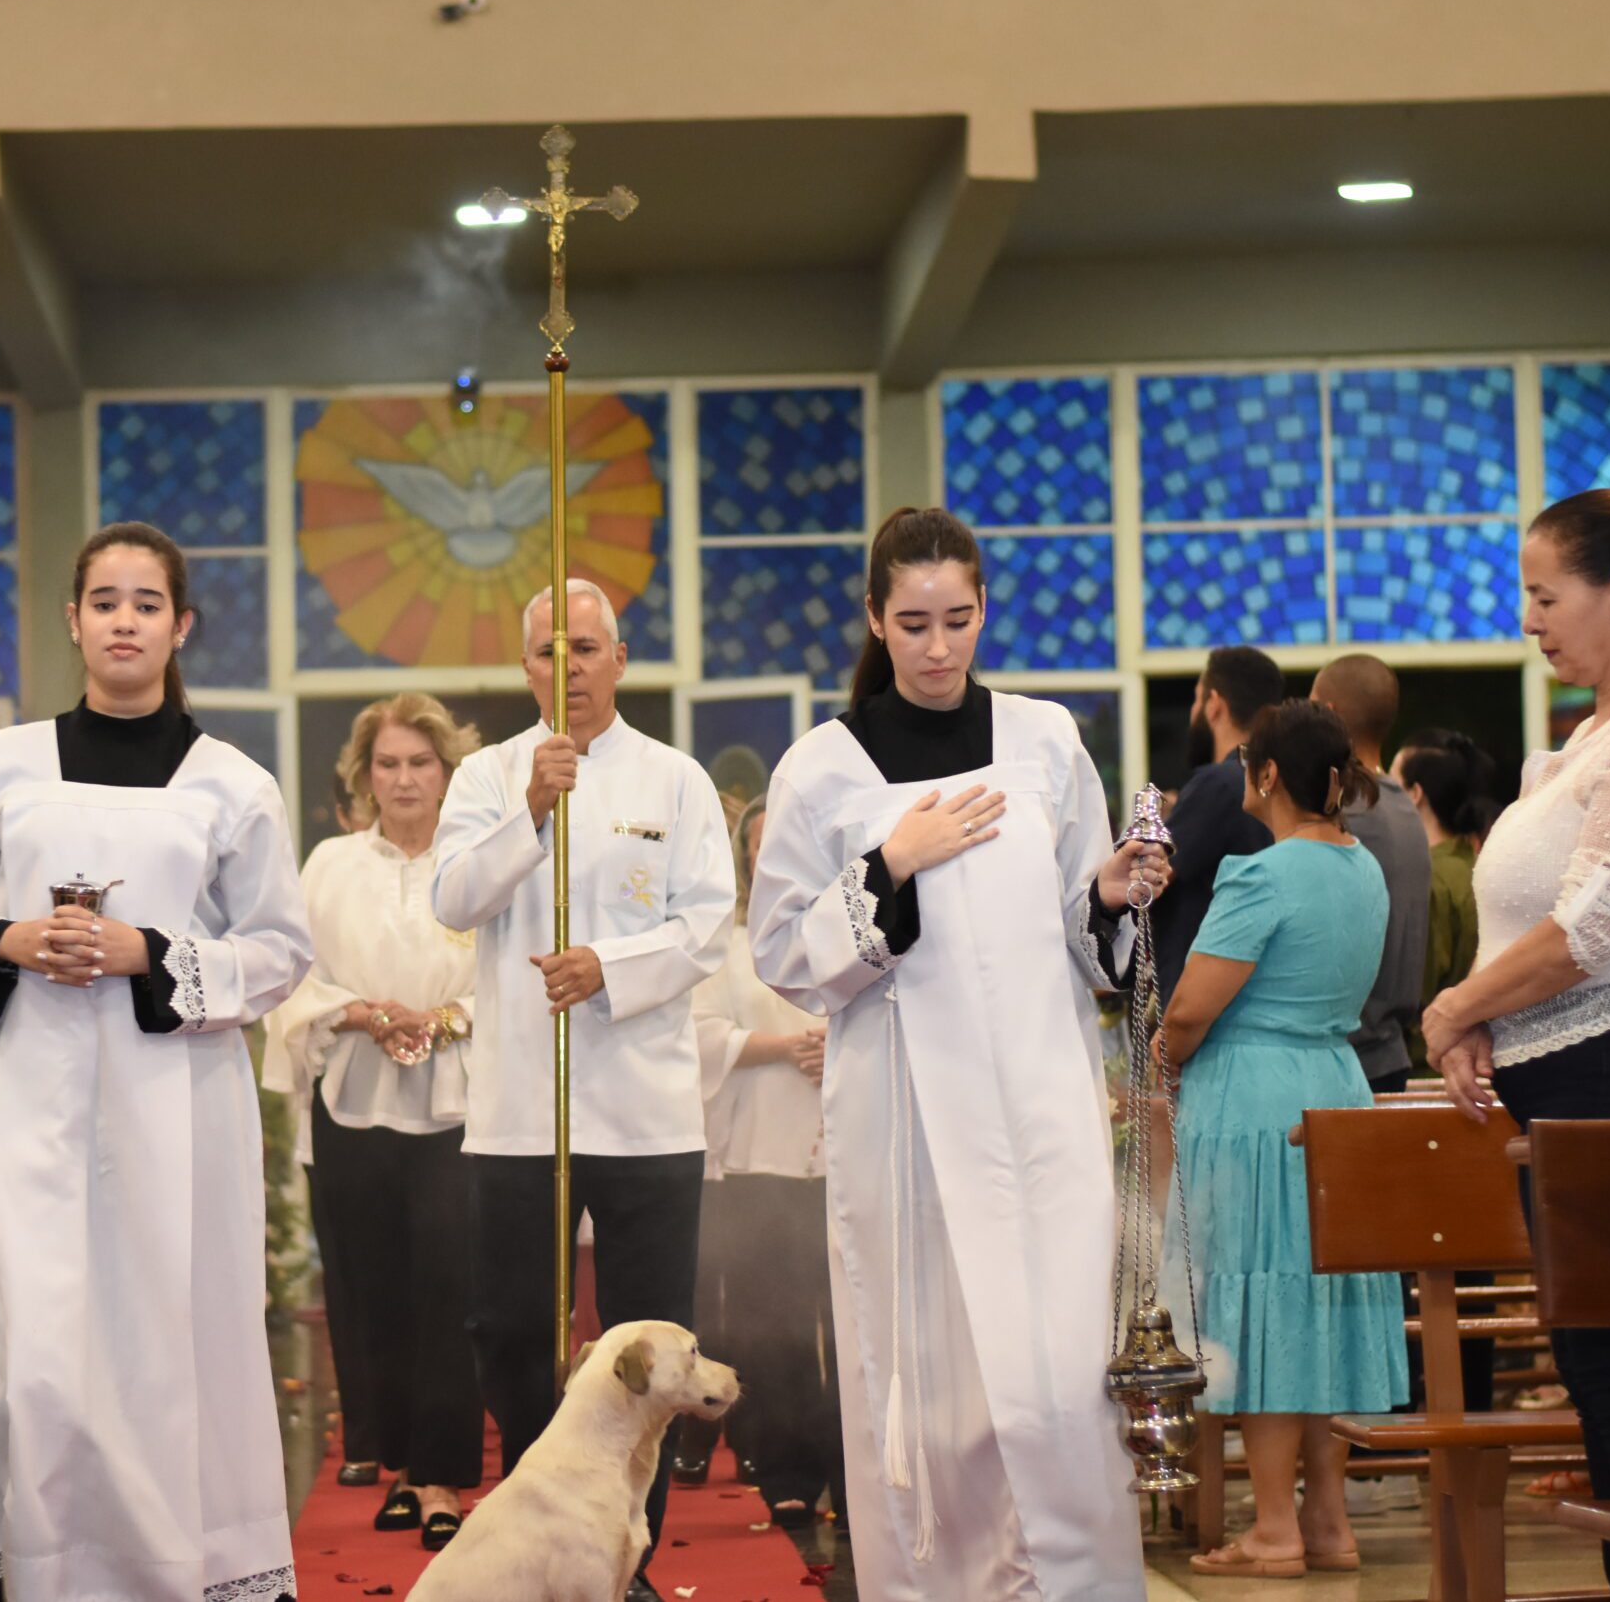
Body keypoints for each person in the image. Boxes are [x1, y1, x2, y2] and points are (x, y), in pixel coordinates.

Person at [748, 507, 1167, 1602]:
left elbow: (1085, 936)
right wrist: (891, 861)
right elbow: (782, 951)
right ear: (873, 619)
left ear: (984, 610)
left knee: (1057, 1371)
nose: (938, 648)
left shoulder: (1044, 740)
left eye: (958, 620)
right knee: (940, 1377)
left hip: (1042, 1103)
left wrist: (1110, 890)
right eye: (913, 624)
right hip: (908, 1118)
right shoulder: (821, 768)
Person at [0, 521, 313, 1602]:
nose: (124, 621)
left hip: (172, 1107)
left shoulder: (232, 784)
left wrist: (153, 954)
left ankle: (176, 1565)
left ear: (181, 627)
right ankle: (34, 1565)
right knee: (32, 1345)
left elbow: (280, 948)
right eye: (104, 602)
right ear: (73, 621)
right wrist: (7, 939)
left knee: (162, 1340)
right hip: (30, 1094)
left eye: (146, 604)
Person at [1423, 488, 1610, 1602]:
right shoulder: (1588, 739)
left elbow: (1594, 925)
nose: (1530, 620)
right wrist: (1484, 1013)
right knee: (1603, 1376)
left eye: (1547, 597)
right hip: (1569, 1086)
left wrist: (1455, 1009)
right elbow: (1536, 925)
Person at [432, 578, 735, 1599]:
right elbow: (452, 899)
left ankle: (626, 1554)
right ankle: (540, 1536)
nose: (568, 670)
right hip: (522, 1109)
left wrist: (610, 965)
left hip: (647, 1109)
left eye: (587, 648)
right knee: (513, 1333)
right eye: (546, 653)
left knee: (652, 1343)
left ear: (619, 659)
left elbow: (706, 922)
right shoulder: (485, 775)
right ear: (524, 667)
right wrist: (528, 809)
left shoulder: (676, 779)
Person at [1161, 700, 1411, 1578]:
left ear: (1266, 774)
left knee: (1263, 1308)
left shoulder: (1260, 875)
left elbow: (1191, 1007)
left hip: (1255, 1098)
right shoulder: (1362, 867)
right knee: (1319, 1307)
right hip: (1335, 1082)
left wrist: (1160, 1055)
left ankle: (1272, 1527)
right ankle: (1327, 1518)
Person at [265, 693, 483, 1548]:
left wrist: (444, 1019)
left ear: (447, 771)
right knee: (371, 1291)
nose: (403, 779)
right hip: (352, 1098)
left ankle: (441, 1478)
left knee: (449, 1286)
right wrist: (364, 1014)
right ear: (364, 775)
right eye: (387, 763)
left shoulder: (477, 861)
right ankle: (399, 1463)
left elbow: (511, 976)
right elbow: (289, 974)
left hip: (459, 1103)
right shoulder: (330, 864)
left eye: (420, 762)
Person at [688, 793, 841, 1531]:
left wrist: (838, 1049)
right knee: (772, 1329)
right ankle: (787, 1472)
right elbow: (698, 1033)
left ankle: (856, 1477)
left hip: (844, 1157)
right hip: (759, 1158)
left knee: (849, 1327)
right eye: (759, 841)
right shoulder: (727, 942)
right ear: (748, 856)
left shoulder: (849, 930)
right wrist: (786, 1047)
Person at [1309, 654, 1427, 1092]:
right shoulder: (1404, 806)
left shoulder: (1346, 810)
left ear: (1329, 715)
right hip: (1388, 1048)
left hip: (1348, 1056)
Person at [1155, 646, 1282, 1002]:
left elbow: (1151, 879)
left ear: (1214, 704)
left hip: (1203, 1000)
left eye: (1197, 699)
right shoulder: (1278, 782)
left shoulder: (1221, 783)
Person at [1392, 728, 1498, 1008]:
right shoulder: (1479, 865)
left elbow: (1415, 997)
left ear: (1415, 794)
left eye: (1392, 785)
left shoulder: (1429, 880)